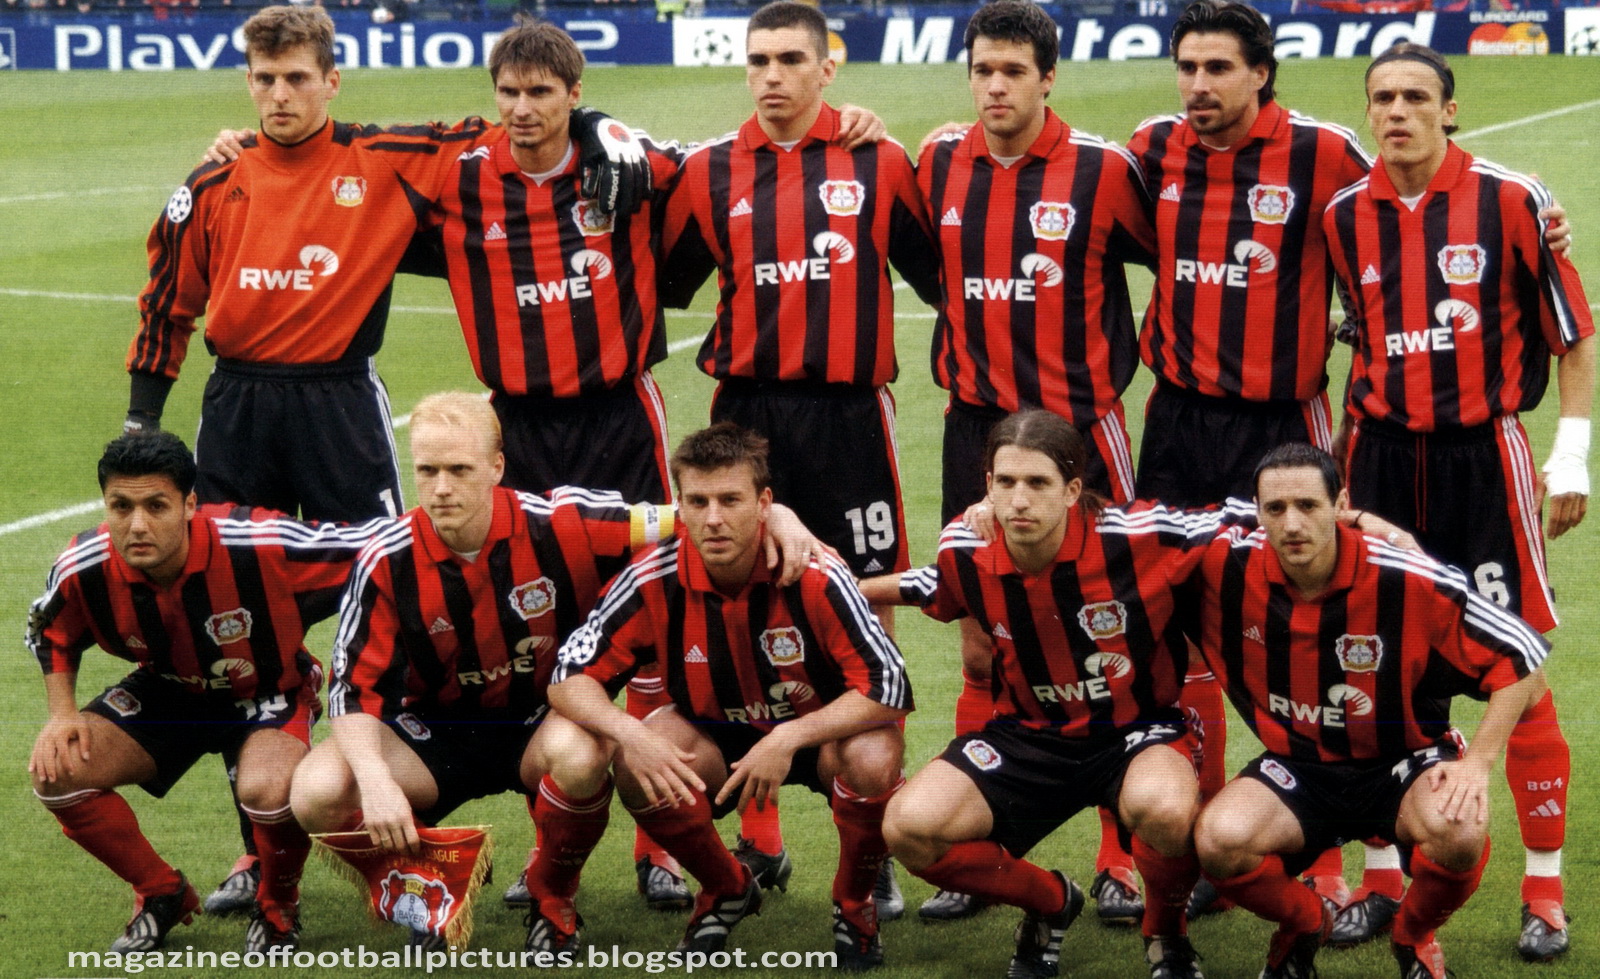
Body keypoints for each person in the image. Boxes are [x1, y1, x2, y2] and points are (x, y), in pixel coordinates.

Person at [288, 394, 824, 952]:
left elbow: (688, 516)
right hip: (430, 733)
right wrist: (375, 780)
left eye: (459, 469)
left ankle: (552, 897)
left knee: (584, 753)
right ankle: (433, 884)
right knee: (317, 791)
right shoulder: (386, 556)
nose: (441, 487)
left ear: (497, 467)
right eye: (427, 470)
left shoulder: (565, 520)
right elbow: (352, 691)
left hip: (540, 722)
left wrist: (777, 515)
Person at [1324, 42, 1593, 962]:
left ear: (1449, 109)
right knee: (1374, 666)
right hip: (1379, 460)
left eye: (1415, 96)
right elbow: (1356, 337)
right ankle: (1381, 879)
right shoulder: (1342, 215)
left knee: (1518, 664)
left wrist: (1571, 457)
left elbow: (1573, 337)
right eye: (1382, 97)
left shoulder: (1513, 201)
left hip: (1485, 459)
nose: (1396, 111)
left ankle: (1545, 891)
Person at [864, 410, 1272, 979]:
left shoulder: (1139, 535)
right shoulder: (967, 544)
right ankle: (1051, 902)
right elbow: (934, 583)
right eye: (1006, 483)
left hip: (1137, 731)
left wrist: (1366, 524)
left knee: (1167, 809)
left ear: (1073, 490)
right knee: (909, 828)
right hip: (1027, 735)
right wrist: (843, 586)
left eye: (1038, 483)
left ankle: (1166, 935)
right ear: (987, 486)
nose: (1019, 501)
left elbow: (1255, 516)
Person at [914, 0, 1158, 925]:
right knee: (983, 635)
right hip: (975, 429)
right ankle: (986, 849)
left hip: (1079, 434)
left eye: (1013, 71)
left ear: (1048, 77)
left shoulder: (1103, 170)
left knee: (1111, 637)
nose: (995, 86)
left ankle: (1122, 856)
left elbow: (1179, 261)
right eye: (982, 69)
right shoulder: (938, 161)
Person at [547, 422, 911, 969]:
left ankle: (855, 903)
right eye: (698, 502)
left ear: (764, 504)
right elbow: (568, 674)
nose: (713, 518)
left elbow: (890, 686)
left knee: (874, 753)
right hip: (717, 735)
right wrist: (627, 732)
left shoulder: (815, 571)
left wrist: (789, 736)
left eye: (730, 500)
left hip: (818, 735)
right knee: (639, 755)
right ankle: (726, 887)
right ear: (680, 507)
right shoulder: (652, 575)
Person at [1190, 443, 1549, 979]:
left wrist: (1478, 764)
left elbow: (1520, 654)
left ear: (1340, 505)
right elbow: (1171, 524)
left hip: (1403, 764)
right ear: (1258, 512)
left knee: (1459, 828)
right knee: (1218, 840)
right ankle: (1306, 923)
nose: (1292, 524)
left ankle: (1413, 937)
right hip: (1301, 768)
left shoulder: (1403, 573)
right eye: (1275, 509)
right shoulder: (1227, 560)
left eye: (1308, 506)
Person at [26, 431, 383, 953]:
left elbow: (377, 546)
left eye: (156, 506)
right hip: (168, 689)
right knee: (57, 773)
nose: (137, 525)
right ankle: (161, 892)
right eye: (121, 507)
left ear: (190, 505)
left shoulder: (259, 542)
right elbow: (49, 632)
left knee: (269, 792)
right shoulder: (84, 565)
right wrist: (61, 714)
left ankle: (277, 902)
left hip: (266, 687)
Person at [659, 0, 942, 621]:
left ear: (827, 69)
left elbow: (941, 282)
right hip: (747, 413)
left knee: (866, 589)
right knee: (748, 587)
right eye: (758, 61)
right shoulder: (708, 170)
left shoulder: (879, 160)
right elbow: (660, 282)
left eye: (790, 59)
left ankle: (873, 687)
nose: (772, 75)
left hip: (849, 416)